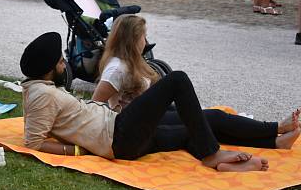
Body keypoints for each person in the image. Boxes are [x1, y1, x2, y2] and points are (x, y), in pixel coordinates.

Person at [20, 32, 269, 172]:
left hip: (120, 131)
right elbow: (33, 142)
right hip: (117, 136)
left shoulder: (43, 89)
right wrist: (75, 151)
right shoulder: (43, 96)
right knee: (177, 80)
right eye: (61, 63)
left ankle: (272, 137)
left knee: (200, 121)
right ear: (48, 68)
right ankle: (211, 154)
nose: (65, 65)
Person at [91, 15, 300, 150]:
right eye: (143, 36)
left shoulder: (132, 62)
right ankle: (275, 129)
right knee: (211, 118)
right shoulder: (117, 69)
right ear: (133, 39)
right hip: (135, 126)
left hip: (150, 117)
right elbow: (94, 106)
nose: (146, 41)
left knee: (204, 119)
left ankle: (273, 141)